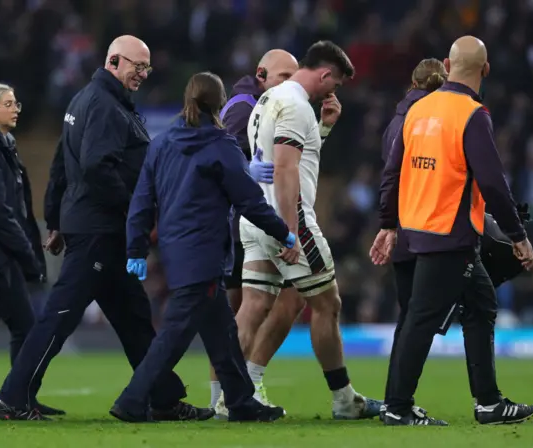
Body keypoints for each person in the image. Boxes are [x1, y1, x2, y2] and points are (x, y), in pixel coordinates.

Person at [0, 35, 211, 421]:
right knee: (60, 316)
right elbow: (95, 168)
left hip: (95, 228)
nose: (142, 74)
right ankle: (12, 396)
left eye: (146, 68)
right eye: (137, 66)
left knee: (134, 318)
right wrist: (136, 210)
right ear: (114, 61)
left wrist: (56, 220)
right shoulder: (107, 106)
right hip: (99, 231)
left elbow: (61, 165)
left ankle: (161, 397)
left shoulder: (86, 100)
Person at [371, 35, 533, 426]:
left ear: (447, 65)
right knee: (422, 318)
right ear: (486, 69)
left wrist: (387, 225)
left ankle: (489, 402)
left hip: (417, 229)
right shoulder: (471, 114)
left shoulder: (418, 109)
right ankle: (397, 407)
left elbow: (393, 172)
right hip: (451, 234)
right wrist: (518, 236)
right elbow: (493, 183)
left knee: (480, 303)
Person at [111, 72, 295, 423]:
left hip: (176, 251)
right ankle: (131, 400)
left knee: (223, 334)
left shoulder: (162, 144)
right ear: (220, 103)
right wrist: (283, 232)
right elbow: (250, 201)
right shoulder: (221, 147)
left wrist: (136, 248)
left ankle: (240, 401)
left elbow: (142, 201)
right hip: (205, 254)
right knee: (172, 338)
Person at [236, 40, 382, 419]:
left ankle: (235, 393)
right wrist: (288, 230)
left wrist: (324, 129)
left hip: (254, 216)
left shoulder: (267, 101)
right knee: (327, 303)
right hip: (287, 218)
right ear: (325, 74)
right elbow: (285, 169)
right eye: (335, 84)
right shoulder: (297, 103)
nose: (334, 92)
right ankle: (344, 399)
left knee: (252, 307)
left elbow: (290, 158)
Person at [212, 49, 306, 414]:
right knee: (239, 310)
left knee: (241, 311)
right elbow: (220, 155)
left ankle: (229, 394)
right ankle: (229, 392)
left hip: (250, 221)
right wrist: (246, 171)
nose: (291, 84)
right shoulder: (244, 106)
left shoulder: (274, 104)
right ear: (262, 74)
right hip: (239, 224)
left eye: (294, 77)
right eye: (284, 77)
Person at [0, 83, 63, 418]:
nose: (16, 109)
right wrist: (26, 252)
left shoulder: (3, 145)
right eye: (8, 104)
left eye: (16, 102)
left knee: (27, 327)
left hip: (1, 254)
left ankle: (21, 398)